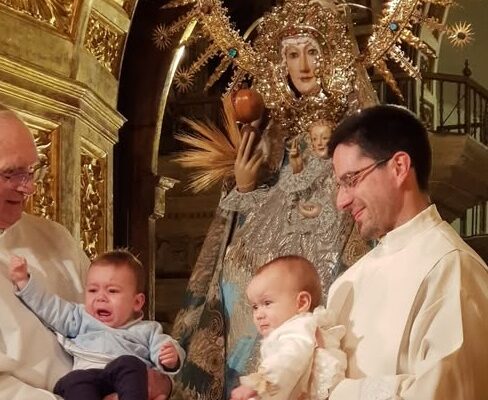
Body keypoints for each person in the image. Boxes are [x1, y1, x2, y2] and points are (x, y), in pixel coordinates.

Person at [170, 2, 375, 398]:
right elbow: (256, 193)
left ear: (332, 55)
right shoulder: (274, 130)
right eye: (292, 54)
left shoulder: (356, 130)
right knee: (241, 285)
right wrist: (244, 187)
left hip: (329, 245)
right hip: (261, 260)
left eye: (313, 52)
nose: (304, 66)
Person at [0, 104, 173, 400]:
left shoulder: (55, 239)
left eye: (31, 171)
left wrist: (159, 381)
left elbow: (115, 327)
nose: (28, 189)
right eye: (11, 173)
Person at [326, 104, 488, 399]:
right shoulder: (346, 284)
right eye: (340, 185)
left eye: (351, 180)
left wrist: (332, 393)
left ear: (399, 167)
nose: (341, 201)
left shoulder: (453, 270)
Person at [8, 249, 186, 400]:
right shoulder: (80, 317)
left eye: (112, 291)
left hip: (125, 380)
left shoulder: (147, 329)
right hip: (89, 375)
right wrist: (24, 282)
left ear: (137, 302)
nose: (100, 297)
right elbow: (50, 307)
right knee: (73, 380)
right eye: (93, 290)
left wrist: (171, 357)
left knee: (130, 364)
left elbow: (165, 347)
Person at [230, 256, 346, 400]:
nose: (258, 315)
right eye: (255, 307)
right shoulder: (293, 330)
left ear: (301, 303)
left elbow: (290, 357)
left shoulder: (298, 327)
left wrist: (258, 384)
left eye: (267, 303)